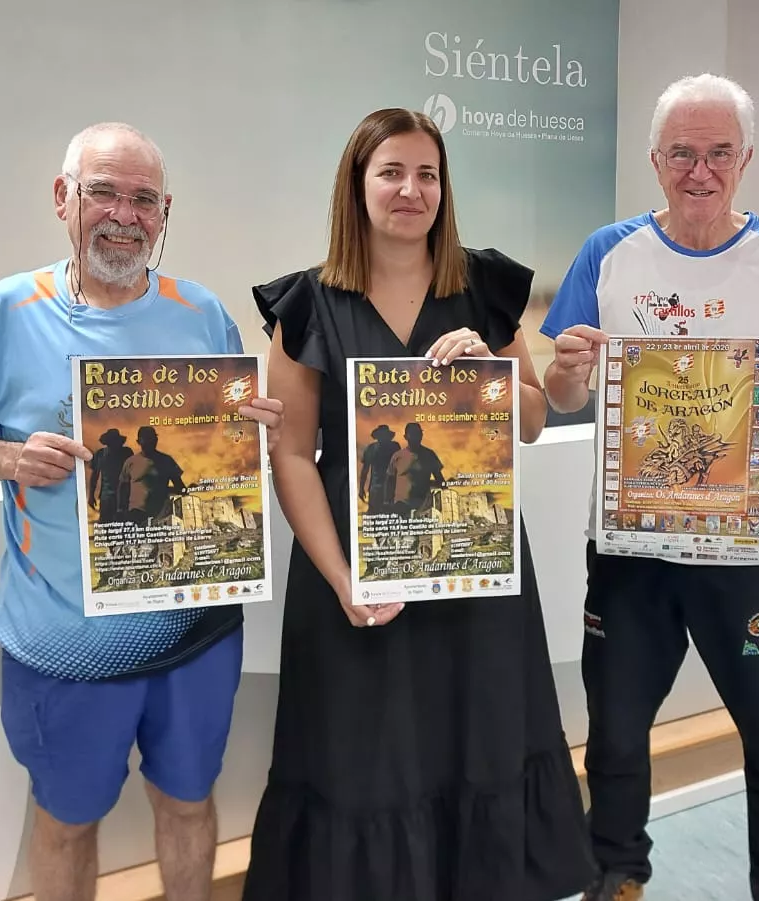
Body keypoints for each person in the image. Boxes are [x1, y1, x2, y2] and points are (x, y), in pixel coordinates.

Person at [0, 121, 283, 901]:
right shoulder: (8, 308)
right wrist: (10, 457)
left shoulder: (201, 310)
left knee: (188, 802)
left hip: (195, 620)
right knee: (68, 819)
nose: (124, 213)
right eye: (104, 192)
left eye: (143, 198)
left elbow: (226, 451)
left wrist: (250, 431)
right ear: (63, 198)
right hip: (63, 636)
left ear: (164, 211)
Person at [242, 107, 597, 901]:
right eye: (391, 173)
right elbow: (292, 453)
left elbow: (536, 419)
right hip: (358, 576)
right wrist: (343, 579)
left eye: (427, 174)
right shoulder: (307, 304)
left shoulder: (486, 288)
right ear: (356, 186)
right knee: (368, 759)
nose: (411, 190)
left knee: (476, 744)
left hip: (475, 576)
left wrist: (494, 378)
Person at [541, 75, 759, 901]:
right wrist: (565, 371)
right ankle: (617, 879)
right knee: (616, 736)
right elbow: (562, 399)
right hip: (630, 546)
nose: (700, 170)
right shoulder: (606, 252)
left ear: (745, 158)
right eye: (682, 152)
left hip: (749, 551)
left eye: (719, 152)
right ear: (654, 159)